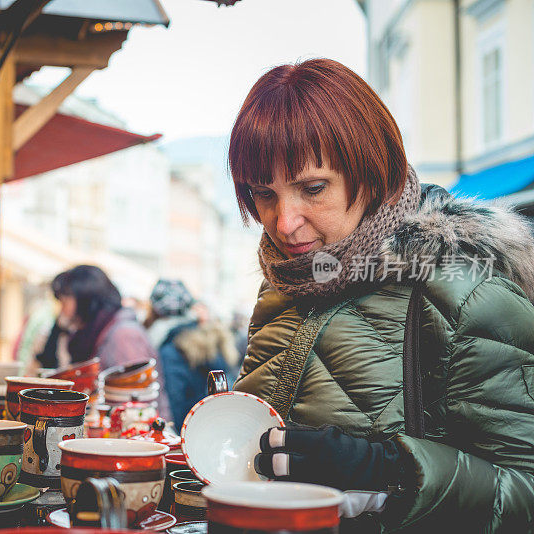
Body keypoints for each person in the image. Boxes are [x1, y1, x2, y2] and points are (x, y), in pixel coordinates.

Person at [228, 58, 534, 532]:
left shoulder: (467, 286)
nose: (284, 223)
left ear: (372, 171)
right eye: (264, 194)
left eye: (312, 188)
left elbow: (524, 492)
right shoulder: (288, 280)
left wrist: (387, 472)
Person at [34, 265, 171, 418]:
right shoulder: (101, 331)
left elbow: (137, 409)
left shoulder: (123, 336)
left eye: (65, 301)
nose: (63, 310)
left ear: (85, 301)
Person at [146, 279, 240, 425]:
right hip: (207, 425)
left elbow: (175, 399)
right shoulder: (203, 338)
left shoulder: (170, 345)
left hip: (186, 429)